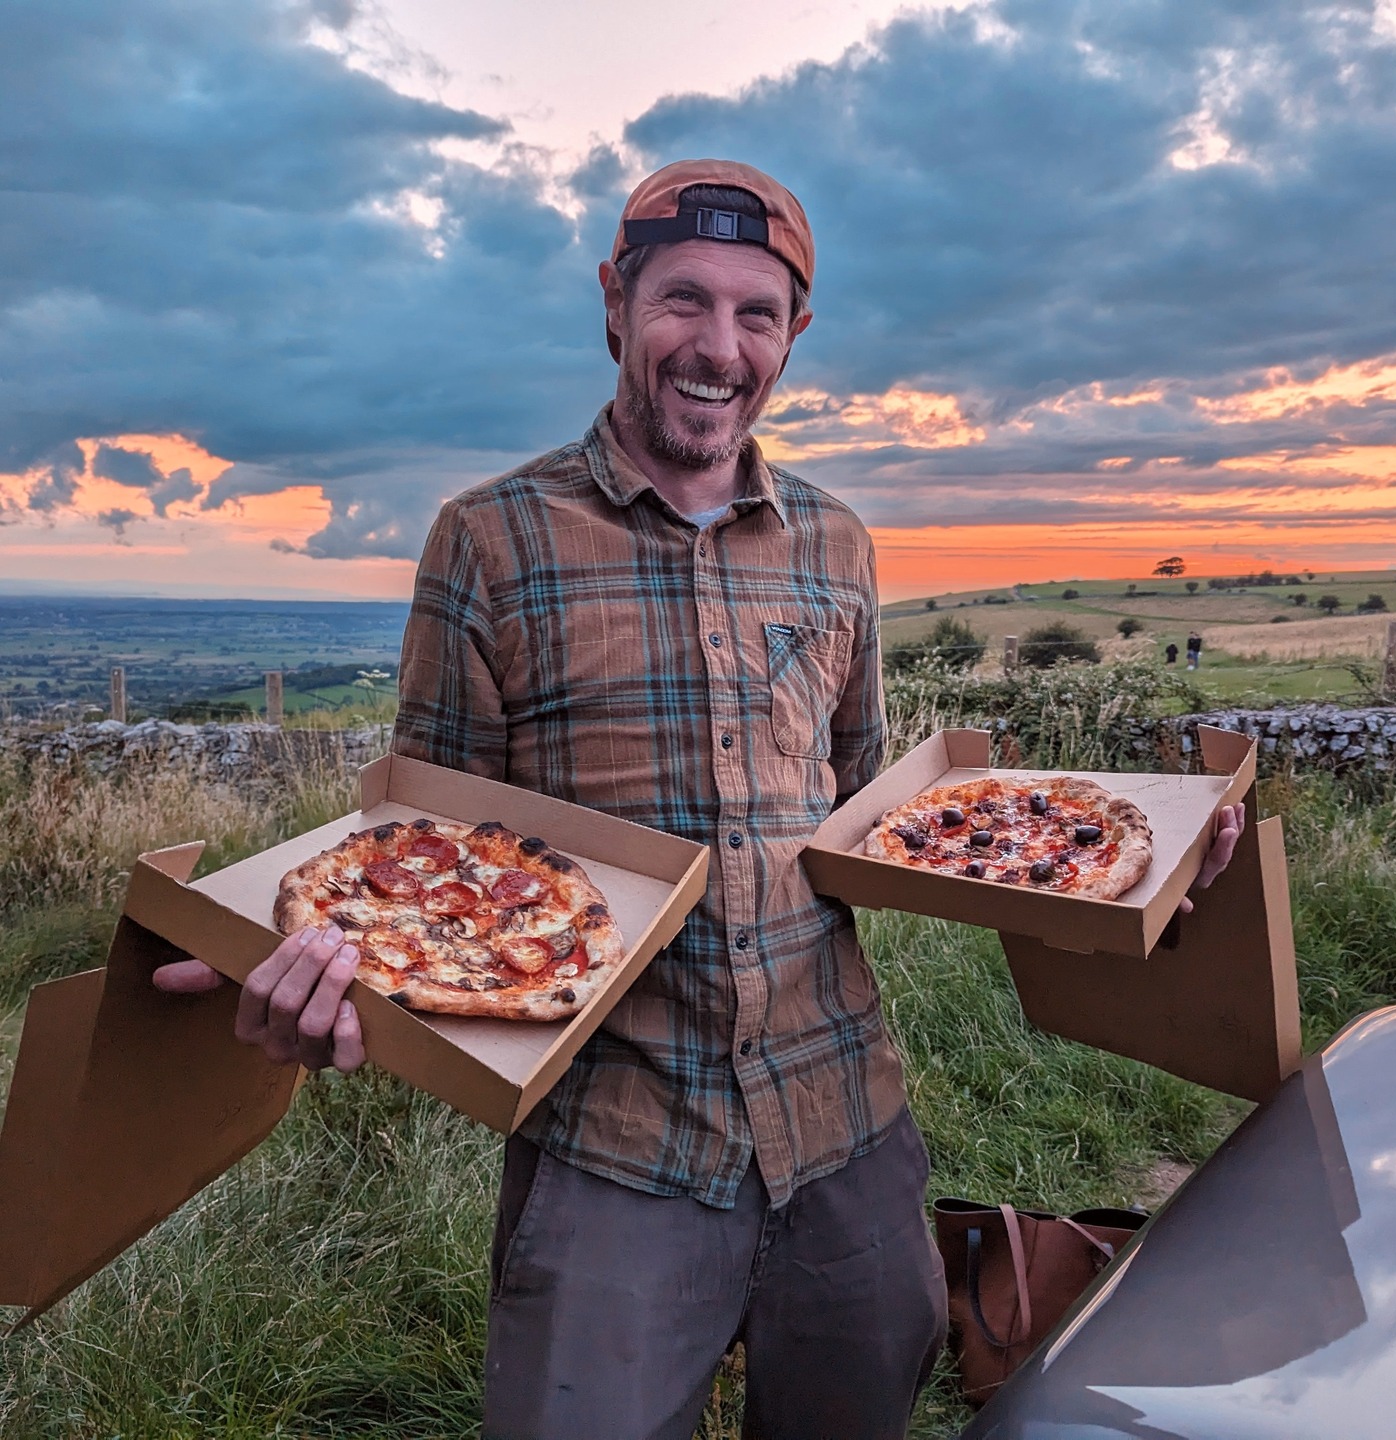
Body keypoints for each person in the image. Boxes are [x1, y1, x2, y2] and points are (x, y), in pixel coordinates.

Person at [153, 159, 1245, 1439]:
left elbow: (872, 818)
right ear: (614, 301)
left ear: (795, 336)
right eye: (682, 301)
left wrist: (1146, 865)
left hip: (844, 1113)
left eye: (757, 314)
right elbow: (416, 854)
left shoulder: (838, 543)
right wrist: (327, 978)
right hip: (615, 1138)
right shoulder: (488, 540)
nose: (716, 348)